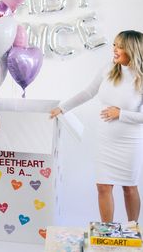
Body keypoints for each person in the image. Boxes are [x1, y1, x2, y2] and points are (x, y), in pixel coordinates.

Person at [50, 30, 143, 223]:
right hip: (105, 140)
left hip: (129, 143)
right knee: (103, 186)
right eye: (114, 45)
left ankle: (133, 230)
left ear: (133, 50)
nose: (115, 50)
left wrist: (121, 114)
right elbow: (88, 92)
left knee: (129, 187)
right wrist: (62, 108)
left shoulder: (140, 78)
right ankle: (107, 231)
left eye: (120, 46)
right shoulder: (108, 69)